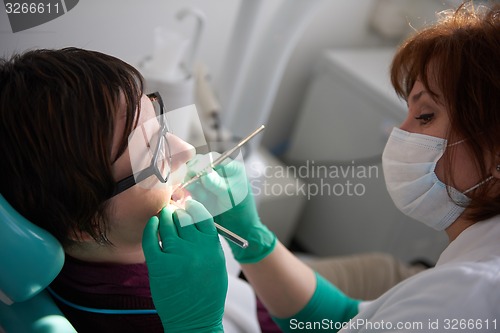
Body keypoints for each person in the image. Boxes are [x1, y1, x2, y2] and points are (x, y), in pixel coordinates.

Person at [162, 1, 500, 332]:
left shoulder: (464, 299)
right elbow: (343, 320)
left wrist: (197, 325)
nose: (402, 133)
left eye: (426, 116)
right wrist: (254, 237)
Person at [0, 48, 228, 332]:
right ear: (85, 221)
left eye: (160, 125)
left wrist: (257, 245)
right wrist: (200, 326)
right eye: (155, 153)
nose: (187, 150)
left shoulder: (68, 265)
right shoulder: (157, 318)